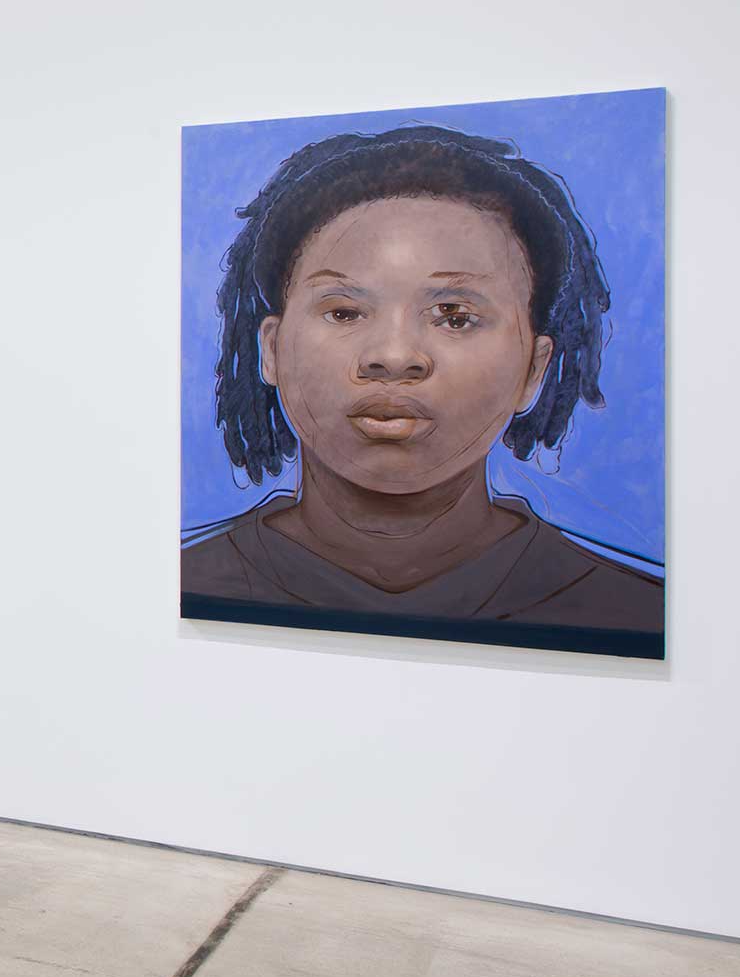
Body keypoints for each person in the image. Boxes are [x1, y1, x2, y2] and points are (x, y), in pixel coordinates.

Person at [181, 124, 663, 657]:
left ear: (534, 368)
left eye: (454, 316)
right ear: (271, 350)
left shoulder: (634, 610)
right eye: (344, 312)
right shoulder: (180, 584)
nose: (393, 357)